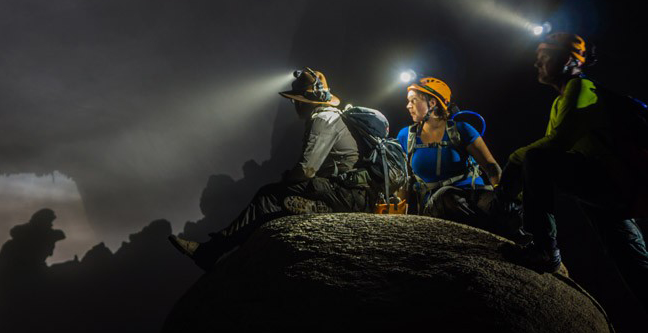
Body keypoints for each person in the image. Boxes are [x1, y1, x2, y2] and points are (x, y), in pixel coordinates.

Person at [169, 67, 373, 270]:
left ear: (304, 100)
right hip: (342, 189)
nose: (294, 105)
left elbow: (306, 170)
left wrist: (287, 181)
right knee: (276, 196)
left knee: (267, 197)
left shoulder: (323, 119)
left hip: (345, 193)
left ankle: (209, 252)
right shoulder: (328, 117)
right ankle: (216, 249)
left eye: (296, 101)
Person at [499, 33, 648, 304]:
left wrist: (512, 163)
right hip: (608, 191)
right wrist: (519, 195)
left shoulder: (580, 89)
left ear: (567, 60)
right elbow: (551, 152)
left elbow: (556, 144)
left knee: (534, 158)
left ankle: (545, 249)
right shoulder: (562, 99)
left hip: (612, 183)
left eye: (543, 57)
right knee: (632, 263)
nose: (537, 63)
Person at [396, 76, 503, 230]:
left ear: (432, 103)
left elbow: (491, 166)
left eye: (413, 100)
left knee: (497, 204)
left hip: (472, 195)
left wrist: (502, 197)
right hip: (439, 203)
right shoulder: (406, 136)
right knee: (447, 197)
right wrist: (399, 216)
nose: (408, 106)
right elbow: (404, 180)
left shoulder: (461, 130)